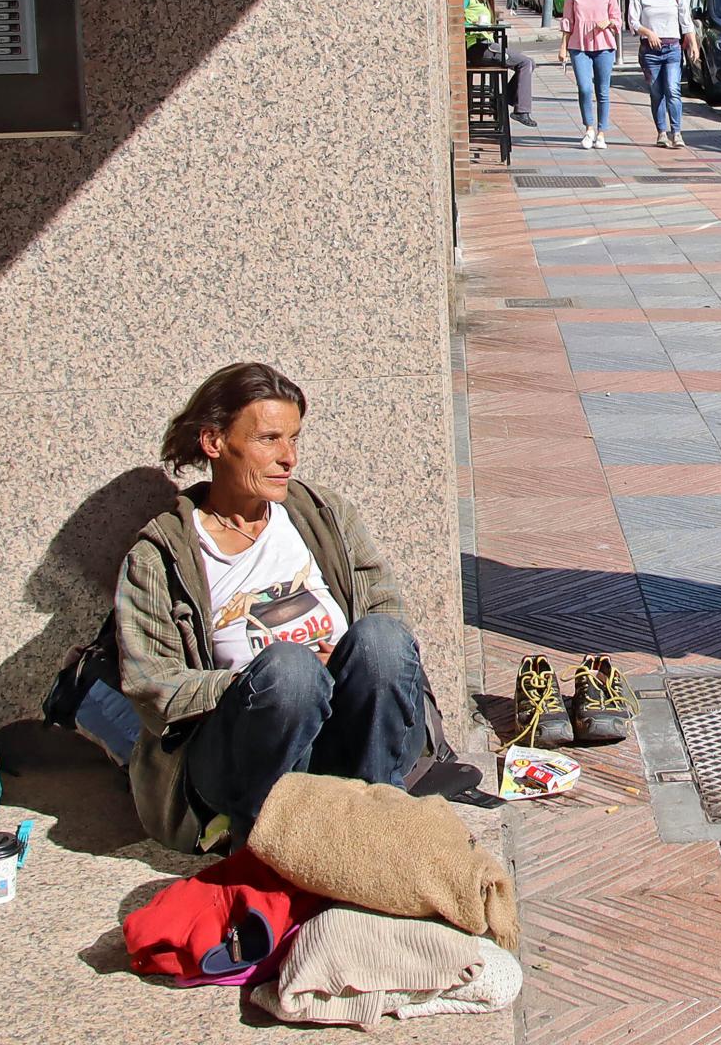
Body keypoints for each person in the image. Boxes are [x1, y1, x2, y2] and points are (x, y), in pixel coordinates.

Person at [116, 363, 464, 852]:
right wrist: (253, 682)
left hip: (355, 735)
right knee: (291, 671)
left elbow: (385, 607)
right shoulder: (161, 556)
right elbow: (152, 684)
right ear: (214, 442)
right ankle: (273, 841)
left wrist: (340, 665)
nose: (289, 458)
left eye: (295, 439)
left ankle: (377, 822)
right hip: (248, 751)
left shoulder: (322, 514)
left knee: (381, 640)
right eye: (269, 439)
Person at [627, 0, 697, 148]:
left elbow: (686, 22)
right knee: (657, 92)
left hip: (672, 49)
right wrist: (648, 32)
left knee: (673, 89)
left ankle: (677, 132)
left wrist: (693, 44)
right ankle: (661, 132)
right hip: (650, 52)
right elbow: (632, 22)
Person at [557, 0, 620, 149]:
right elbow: (568, 21)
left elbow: (617, 20)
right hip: (579, 46)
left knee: (602, 90)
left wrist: (608, 22)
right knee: (584, 88)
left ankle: (601, 132)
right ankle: (589, 128)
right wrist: (563, 47)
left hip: (604, 46)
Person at [464, 0, 536, 127]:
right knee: (525, 63)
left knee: (530, 63)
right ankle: (521, 110)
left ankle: (504, 99)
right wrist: (472, 23)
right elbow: (454, 18)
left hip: (487, 44)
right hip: (477, 47)